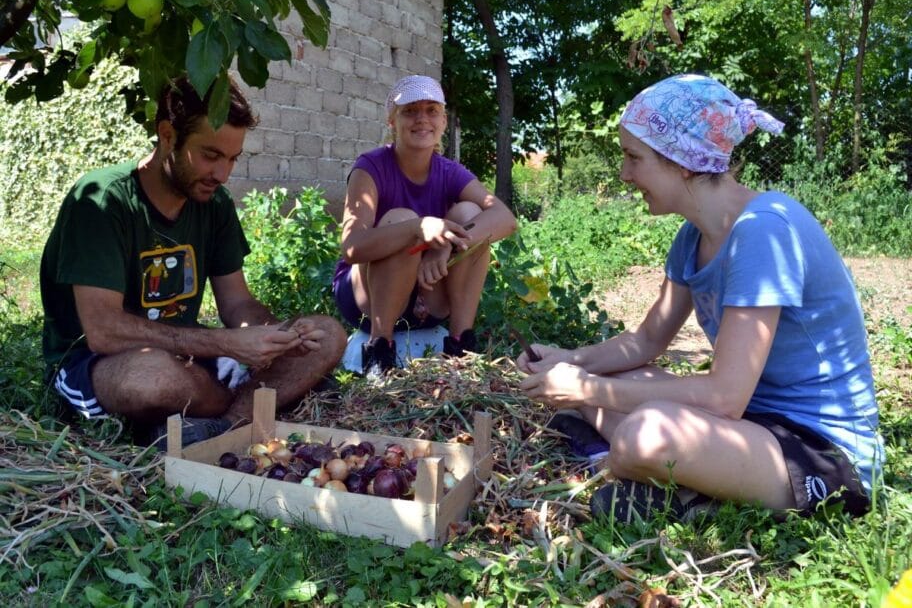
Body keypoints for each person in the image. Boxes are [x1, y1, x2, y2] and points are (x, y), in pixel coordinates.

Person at [517, 74, 883, 523]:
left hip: (818, 449)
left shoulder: (763, 231)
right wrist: (569, 362)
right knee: (629, 380)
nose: (624, 174)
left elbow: (725, 396)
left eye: (634, 158)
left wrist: (588, 388)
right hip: (752, 422)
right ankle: (682, 483)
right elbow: (646, 342)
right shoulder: (692, 238)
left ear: (684, 161)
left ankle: (678, 488)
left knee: (642, 433)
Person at [41, 75, 347, 447]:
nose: (223, 175)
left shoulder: (214, 205)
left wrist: (278, 334)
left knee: (327, 334)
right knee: (154, 378)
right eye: (211, 156)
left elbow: (238, 304)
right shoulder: (102, 201)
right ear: (168, 135)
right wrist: (228, 344)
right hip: (101, 365)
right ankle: (250, 406)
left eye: (233, 159)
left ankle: (222, 427)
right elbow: (104, 331)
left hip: (191, 361)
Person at [333, 75, 517, 377]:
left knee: (471, 213)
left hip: (427, 291)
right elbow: (352, 247)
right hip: (368, 298)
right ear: (392, 120)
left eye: (432, 110)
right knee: (400, 220)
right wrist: (418, 229)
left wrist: (445, 247)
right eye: (410, 111)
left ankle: (460, 347)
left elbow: (505, 218)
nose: (422, 119)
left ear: (443, 121)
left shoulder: (449, 170)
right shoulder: (371, 167)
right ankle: (379, 352)